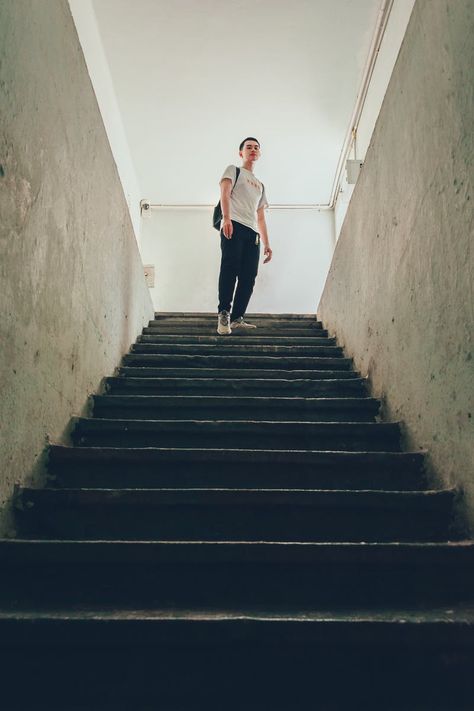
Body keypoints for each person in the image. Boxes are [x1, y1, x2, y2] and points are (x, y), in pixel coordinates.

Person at [217, 137, 272, 335]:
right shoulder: (234, 170)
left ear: (259, 154)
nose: (253, 149)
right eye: (248, 147)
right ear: (241, 152)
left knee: (249, 276)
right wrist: (227, 218)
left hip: (253, 233)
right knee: (230, 268)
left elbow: (260, 216)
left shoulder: (260, 185)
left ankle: (238, 318)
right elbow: (224, 191)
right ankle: (224, 312)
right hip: (234, 225)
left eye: (256, 147)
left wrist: (266, 243)